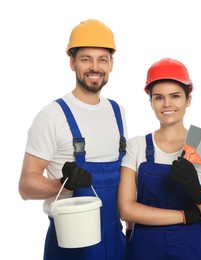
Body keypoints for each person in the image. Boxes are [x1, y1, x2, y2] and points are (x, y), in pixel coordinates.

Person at [19, 19, 127, 260]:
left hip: (115, 240)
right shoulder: (52, 115)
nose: (94, 67)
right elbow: (26, 186)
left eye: (102, 59)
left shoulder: (117, 112)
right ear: (72, 62)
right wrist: (62, 184)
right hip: (71, 242)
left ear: (111, 64)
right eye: (86, 58)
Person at [118, 58, 201, 260]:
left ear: (188, 99)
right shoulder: (136, 146)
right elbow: (126, 210)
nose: (167, 104)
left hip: (194, 250)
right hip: (146, 250)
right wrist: (185, 216)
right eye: (159, 97)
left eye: (175, 96)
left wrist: (198, 193)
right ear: (150, 101)